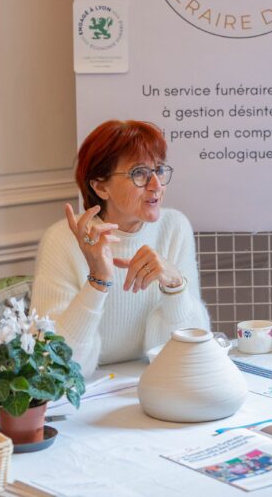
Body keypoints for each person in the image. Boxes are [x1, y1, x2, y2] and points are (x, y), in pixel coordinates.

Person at [31, 120, 210, 375]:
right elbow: (52, 366)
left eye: (159, 169)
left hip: (151, 382)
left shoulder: (174, 227)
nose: (156, 185)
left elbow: (194, 350)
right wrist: (97, 282)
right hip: (84, 393)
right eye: (139, 173)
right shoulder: (62, 240)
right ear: (100, 186)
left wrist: (175, 286)